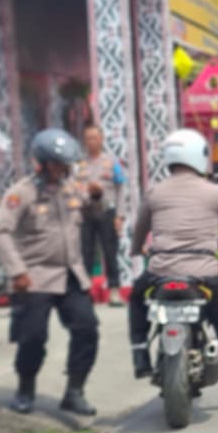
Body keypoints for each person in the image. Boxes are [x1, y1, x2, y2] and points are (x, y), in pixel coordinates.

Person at [127, 129, 218, 408]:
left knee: (136, 299)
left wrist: (137, 248)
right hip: (203, 275)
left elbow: (140, 229)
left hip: (160, 273)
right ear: (199, 157)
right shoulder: (214, 192)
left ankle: (140, 356)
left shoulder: (155, 192)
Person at [0, 128, 100, 416]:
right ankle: (25, 389)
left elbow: (95, 214)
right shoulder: (21, 193)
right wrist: (17, 271)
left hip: (71, 273)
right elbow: (0, 232)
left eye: (64, 164)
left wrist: (97, 198)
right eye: (55, 163)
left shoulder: (71, 188)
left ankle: (75, 391)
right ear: (40, 163)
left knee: (87, 328)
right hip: (35, 277)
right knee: (33, 337)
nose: (60, 169)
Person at [76, 124, 126, 307]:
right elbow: (74, 188)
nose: (92, 141)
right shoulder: (79, 164)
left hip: (107, 211)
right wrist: (87, 193)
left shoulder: (112, 162)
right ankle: (86, 291)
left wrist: (120, 215)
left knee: (110, 252)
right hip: (87, 212)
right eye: (88, 138)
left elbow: (120, 189)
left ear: (101, 139)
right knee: (86, 252)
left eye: (95, 137)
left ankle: (114, 291)